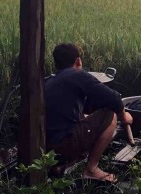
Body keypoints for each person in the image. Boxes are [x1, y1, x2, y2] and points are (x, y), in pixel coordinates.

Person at [45, 43, 132, 182]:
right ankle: (91, 169)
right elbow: (113, 98)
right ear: (78, 60)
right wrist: (124, 115)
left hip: (47, 150)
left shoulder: (51, 81)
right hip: (64, 146)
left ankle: (59, 166)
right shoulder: (77, 74)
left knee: (82, 117)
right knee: (110, 115)